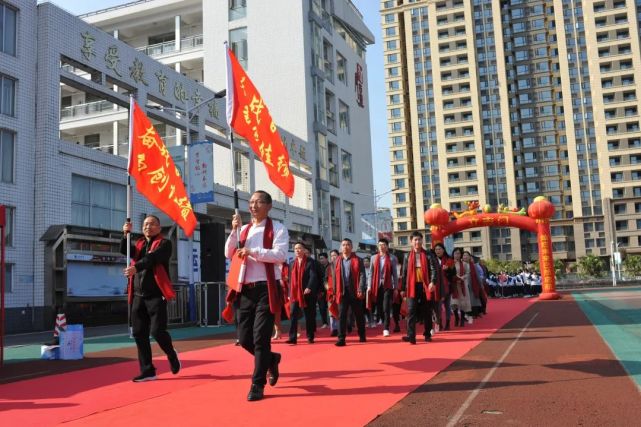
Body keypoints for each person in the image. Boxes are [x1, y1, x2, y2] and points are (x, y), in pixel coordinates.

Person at [224, 190, 288, 402]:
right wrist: (234, 231)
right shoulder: (244, 229)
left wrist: (253, 251)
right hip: (245, 290)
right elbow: (228, 252)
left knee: (261, 338)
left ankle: (257, 384)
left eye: (258, 202)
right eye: (250, 202)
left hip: (266, 288)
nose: (253, 205)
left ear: (269, 206)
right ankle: (272, 360)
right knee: (244, 339)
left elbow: (279, 255)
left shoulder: (278, 228)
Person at [121, 215, 180, 382]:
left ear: (159, 228)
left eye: (153, 223)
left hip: (156, 295)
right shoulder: (139, 244)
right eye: (146, 224)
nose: (149, 226)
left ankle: (171, 353)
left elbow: (152, 259)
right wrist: (125, 235)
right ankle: (148, 370)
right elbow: (125, 251)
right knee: (139, 333)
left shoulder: (165, 244)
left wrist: (136, 267)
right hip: (138, 295)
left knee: (157, 331)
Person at [400, 231, 438, 344]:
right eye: (415, 240)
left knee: (427, 310)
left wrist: (433, 282)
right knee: (411, 311)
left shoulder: (428, 255)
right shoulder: (407, 256)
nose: (417, 242)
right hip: (412, 286)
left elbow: (433, 270)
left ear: (422, 241)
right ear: (411, 242)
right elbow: (404, 273)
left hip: (425, 285)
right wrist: (402, 289)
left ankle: (427, 334)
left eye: (419, 239)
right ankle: (411, 336)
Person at [329, 238, 367, 346]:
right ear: (341, 247)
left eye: (348, 244)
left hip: (355, 291)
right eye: (344, 245)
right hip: (342, 292)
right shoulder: (336, 261)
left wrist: (360, 288)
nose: (345, 246)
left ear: (351, 247)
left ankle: (362, 335)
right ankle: (341, 339)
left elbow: (362, 275)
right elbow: (333, 278)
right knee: (342, 316)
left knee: (359, 314)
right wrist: (334, 292)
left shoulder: (358, 260)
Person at [286, 242, 319, 344]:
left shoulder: (310, 262)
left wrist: (309, 287)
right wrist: (289, 293)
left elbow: (313, 276)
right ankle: (292, 338)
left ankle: (310, 336)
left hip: (307, 292)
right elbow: (290, 280)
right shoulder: (292, 263)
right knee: (293, 314)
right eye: (295, 248)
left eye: (299, 248)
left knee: (309, 315)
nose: (297, 250)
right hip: (295, 293)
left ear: (304, 250)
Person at [369, 238, 399, 337]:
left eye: (384, 245)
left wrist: (396, 287)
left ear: (387, 247)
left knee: (386, 306)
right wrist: (369, 286)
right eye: (380, 245)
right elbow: (371, 273)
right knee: (380, 307)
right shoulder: (373, 258)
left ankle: (386, 328)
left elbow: (395, 274)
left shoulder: (392, 258)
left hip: (388, 285)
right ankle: (382, 320)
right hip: (376, 285)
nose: (381, 247)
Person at [433, 243, 453, 330]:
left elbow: (453, 273)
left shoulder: (449, 260)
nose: (438, 251)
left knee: (447, 305)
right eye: (436, 249)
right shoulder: (432, 260)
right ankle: (439, 322)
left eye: (439, 249)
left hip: (447, 286)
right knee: (438, 306)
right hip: (436, 286)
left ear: (443, 250)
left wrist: (448, 269)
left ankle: (448, 323)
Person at [450, 248, 471, 327]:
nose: (457, 255)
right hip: (453, 285)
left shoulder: (465, 264)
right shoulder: (450, 263)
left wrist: (462, 277)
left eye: (459, 253)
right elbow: (447, 273)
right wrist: (455, 278)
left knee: (462, 303)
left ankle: (462, 318)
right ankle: (456, 317)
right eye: (455, 253)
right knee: (454, 303)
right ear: (453, 254)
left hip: (462, 285)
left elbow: (468, 273)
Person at [327, 249, 340, 337]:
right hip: (330, 292)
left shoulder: (341, 265)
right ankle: (333, 329)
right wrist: (327, 286)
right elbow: (325, 279)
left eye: (335, 255)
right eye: (331, 256)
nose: (333, 257)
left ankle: (340, 328)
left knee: (339, 311)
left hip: (339, 292)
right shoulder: (328, 267)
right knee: (331, 311)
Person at [316, 252, 330, 329]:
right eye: (320, 259)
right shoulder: (318, 267)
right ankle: (324, 322)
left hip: (330, 290)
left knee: (331, 307)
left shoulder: (331, 266)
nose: (321, 260)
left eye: (322, 258)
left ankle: (333, 322)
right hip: (321, 291)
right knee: (322, 307)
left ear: (326, 258)